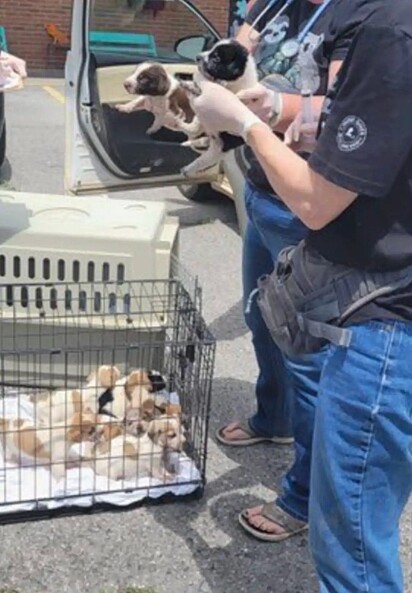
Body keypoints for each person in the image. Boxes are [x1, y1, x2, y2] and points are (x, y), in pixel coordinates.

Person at [191, 0, 412, 590]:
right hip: (379, 293)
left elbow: (316, 203)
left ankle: (299, 495)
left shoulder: (389, 27)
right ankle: (277, 423)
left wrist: (247, 125)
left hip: (382, 316)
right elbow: (374, 117)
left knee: (353, 553)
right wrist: (288, 106)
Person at [216, 0, 377, 542]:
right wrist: (236, 55)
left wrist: (265, 111)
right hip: (263, 189)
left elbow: (353, 113)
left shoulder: (358, 16)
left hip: (307, 202)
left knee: (306, 354)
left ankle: (304, 497)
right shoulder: (271, 4)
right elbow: (235, 68)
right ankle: (273, 418)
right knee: (259, 317)